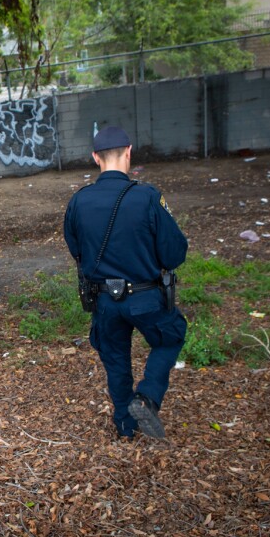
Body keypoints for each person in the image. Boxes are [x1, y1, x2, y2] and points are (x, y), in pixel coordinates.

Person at [64, 126, 188, 440]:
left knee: (115, 358)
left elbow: (76, 251)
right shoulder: (147, 196)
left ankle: (125, 425)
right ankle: (146, 398)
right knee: (170, 337)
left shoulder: (78, 202)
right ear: (129, 152)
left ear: (95, 158)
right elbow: (174, 254)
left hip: (104, 300)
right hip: (146, 297)